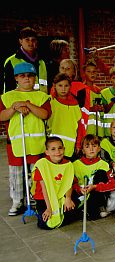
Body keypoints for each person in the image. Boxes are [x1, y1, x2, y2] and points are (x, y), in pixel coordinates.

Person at [0, 62, 51, 216]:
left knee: (35, 172)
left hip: (36, 142)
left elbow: (45, 114)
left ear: (35, 78)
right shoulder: (8, 96)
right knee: (16, 173)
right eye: (22, 76)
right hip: (16, 142)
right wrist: (14, 107)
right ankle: (17, 200)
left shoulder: (41, 96)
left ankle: (35, 198)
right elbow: (2, 116)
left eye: (30, 76)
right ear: (16, 78)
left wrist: (27, 105)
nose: (27, 79)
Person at [31, 137, 78, 229]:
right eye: (53, 149)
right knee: (44, 224)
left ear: (64, 149)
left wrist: (68, 199)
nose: (57, 152)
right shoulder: (42, 165)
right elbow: (44, 189)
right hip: (43, 198)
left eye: (60, 148)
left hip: (61, 195)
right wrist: (49, 208)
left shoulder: (68, 164)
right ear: (47, 152)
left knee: (71, 207)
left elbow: (68, 184)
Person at [73, 134, 115, 220]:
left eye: (94, 146)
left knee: (100, 173)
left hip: (95, 193)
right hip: (82, 193)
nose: (91, 149)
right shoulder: (75, 165)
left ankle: (97, 208)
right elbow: (72, 184)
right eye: (87, 146)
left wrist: (95, 187)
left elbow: (113, 185)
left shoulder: (104, 164)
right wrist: (79, 189)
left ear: (99, 148)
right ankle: (83, 211)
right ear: (83, 150)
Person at [46, 73, 84, 160]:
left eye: (66, 86)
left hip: (70, 147)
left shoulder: (75, 104)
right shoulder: (50, 101)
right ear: (54, 86)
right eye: (60, 85)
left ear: (70, 86)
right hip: (52, 146)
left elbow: (79, 127)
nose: (63, 89)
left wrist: (78, 144)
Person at [3, 27, 48, 94]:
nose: (31, 43)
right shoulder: (11, 61)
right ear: (20, 41)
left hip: (41, 101)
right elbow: (8, 88)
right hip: (20, 102)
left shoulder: (42, 61)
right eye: (27, 40)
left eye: (33, 40)